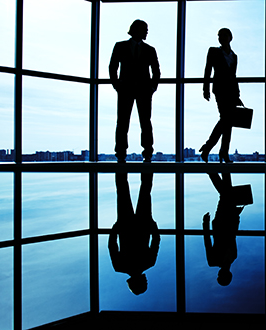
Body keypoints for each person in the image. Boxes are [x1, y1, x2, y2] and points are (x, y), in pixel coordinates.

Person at [109, 19, 160, 163]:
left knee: (142, 122)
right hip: (127, 89)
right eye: (145, 29)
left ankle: (142, 152)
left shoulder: (149, 49)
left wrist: (152, 88)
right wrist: (117, 86)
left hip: (141, 90)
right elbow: (112, 67)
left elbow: (156, 71)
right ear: (136, 30)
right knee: (127, 122)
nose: (147, 32)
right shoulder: (121, 46)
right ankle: (123, 152)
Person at [109, 172, 160, 295]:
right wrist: (115, 229)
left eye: (145, 282)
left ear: (141, 281)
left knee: (145, 190)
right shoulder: (119, 267)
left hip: (143, 225)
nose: (147, 280)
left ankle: (147, 160)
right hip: (125, 226)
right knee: (122, 191)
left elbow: (156, 241)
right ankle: (121, 160)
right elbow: (112, 246)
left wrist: (153, 226)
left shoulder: (149, 263)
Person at [200, 28, 243, 164]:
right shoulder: (213, 51)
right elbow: (207, 69)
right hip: (220, 90)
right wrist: (205, 88)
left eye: (223, 36)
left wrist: (237, 95)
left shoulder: (234, 56)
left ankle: (217, 150)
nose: (220, 38)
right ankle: (215, 150)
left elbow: (233, 76)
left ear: (230, 37)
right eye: (219, 36)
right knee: (226, 120)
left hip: (231, 92)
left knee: (227, 122)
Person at [203, 173, 246, 286]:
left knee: (225, 194)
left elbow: (207, 241)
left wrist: (205, 223)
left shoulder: (214, 261)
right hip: (229, 219)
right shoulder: (233, 256)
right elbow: (233, 234)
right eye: (222, 275)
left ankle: (217, 170)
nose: (220, 273)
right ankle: (218, 169)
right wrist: (236, 216)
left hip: (221, 222)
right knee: (226, 193)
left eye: (220, 275)